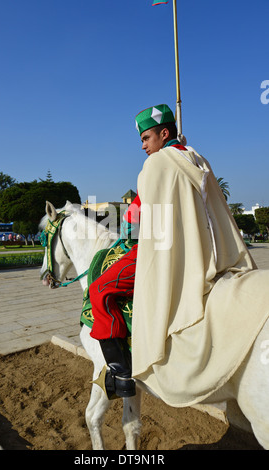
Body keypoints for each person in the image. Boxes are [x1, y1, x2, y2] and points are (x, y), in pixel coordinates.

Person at [89, 104, 187, 398]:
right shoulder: (191, 158)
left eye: (146, 138)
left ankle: (122, 373)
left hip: (158, 249)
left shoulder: (159, 164)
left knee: (98, 289)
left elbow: (139, 219)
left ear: (164, 133)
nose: (143, 146)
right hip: (187, 246)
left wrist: (127, 234)